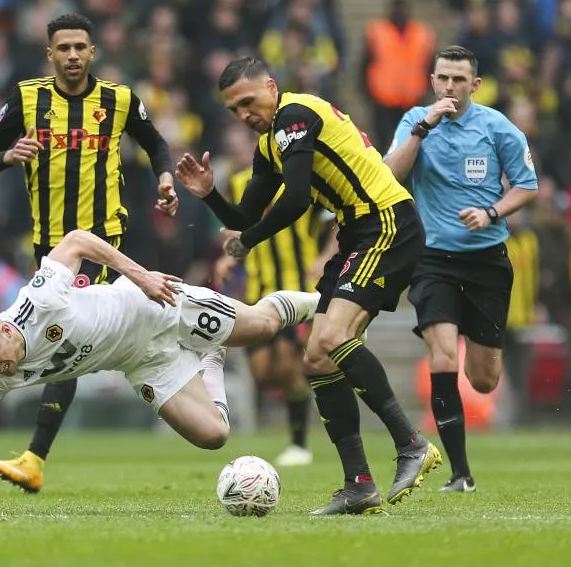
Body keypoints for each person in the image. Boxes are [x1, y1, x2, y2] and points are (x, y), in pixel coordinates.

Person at [175, 57, 442, 516]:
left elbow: (296, 200)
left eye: (248, 101)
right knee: (317, 358)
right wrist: (209, 195)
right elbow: (244, 215)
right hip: (356, 234)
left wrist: (246, 244)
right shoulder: (272, 143)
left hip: (385, 224)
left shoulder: (295, 116)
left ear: (271, 87)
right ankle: (359, 484)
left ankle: (412, 445)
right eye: (234, 110)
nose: (244, 114)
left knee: (334, 339)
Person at [0, 229, 319, 517]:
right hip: (143, 362)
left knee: (263, 326)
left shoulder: (38, 301)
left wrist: (141, 278)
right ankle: (210, 355)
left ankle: (328, 301)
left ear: (4, 326)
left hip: (158, 308)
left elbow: (77, 240)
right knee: (214, 436)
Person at [0, 13, 178, 493]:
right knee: (65, 340)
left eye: (79, 47)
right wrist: (8, 156)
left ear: (92, 52)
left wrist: (166, 178)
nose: (71, 56)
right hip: (50, 247)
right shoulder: (27, 98)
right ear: (50, 53)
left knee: (62, 338)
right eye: (62, 48)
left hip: (103, 243)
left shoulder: (119, 100)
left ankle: (35, 456)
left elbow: (157, 144)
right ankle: (38, 453)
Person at [383, 45, 539, 493]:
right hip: (431, 259)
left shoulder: (497, 127)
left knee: (484, 379)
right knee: (443, 355)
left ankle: (461, 464)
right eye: (442, 78)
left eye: (458, 79)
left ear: (475, 84)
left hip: (487, 259)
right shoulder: (416, 120)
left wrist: (491, 212)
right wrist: (421, 129)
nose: (449, 86)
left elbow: (528, 186)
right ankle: (460, 474)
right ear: (432, 80)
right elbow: (390, 175)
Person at [213, 167, 327, 467]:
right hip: (258, 292)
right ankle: (306, 390)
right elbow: (240, 229)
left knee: (289, 366)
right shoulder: (238, 182)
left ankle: (299, 445)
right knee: (262, 373)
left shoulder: (302, 179)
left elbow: (335, 222)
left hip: (298, 290)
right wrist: (229, 256)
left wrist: (325, 257)